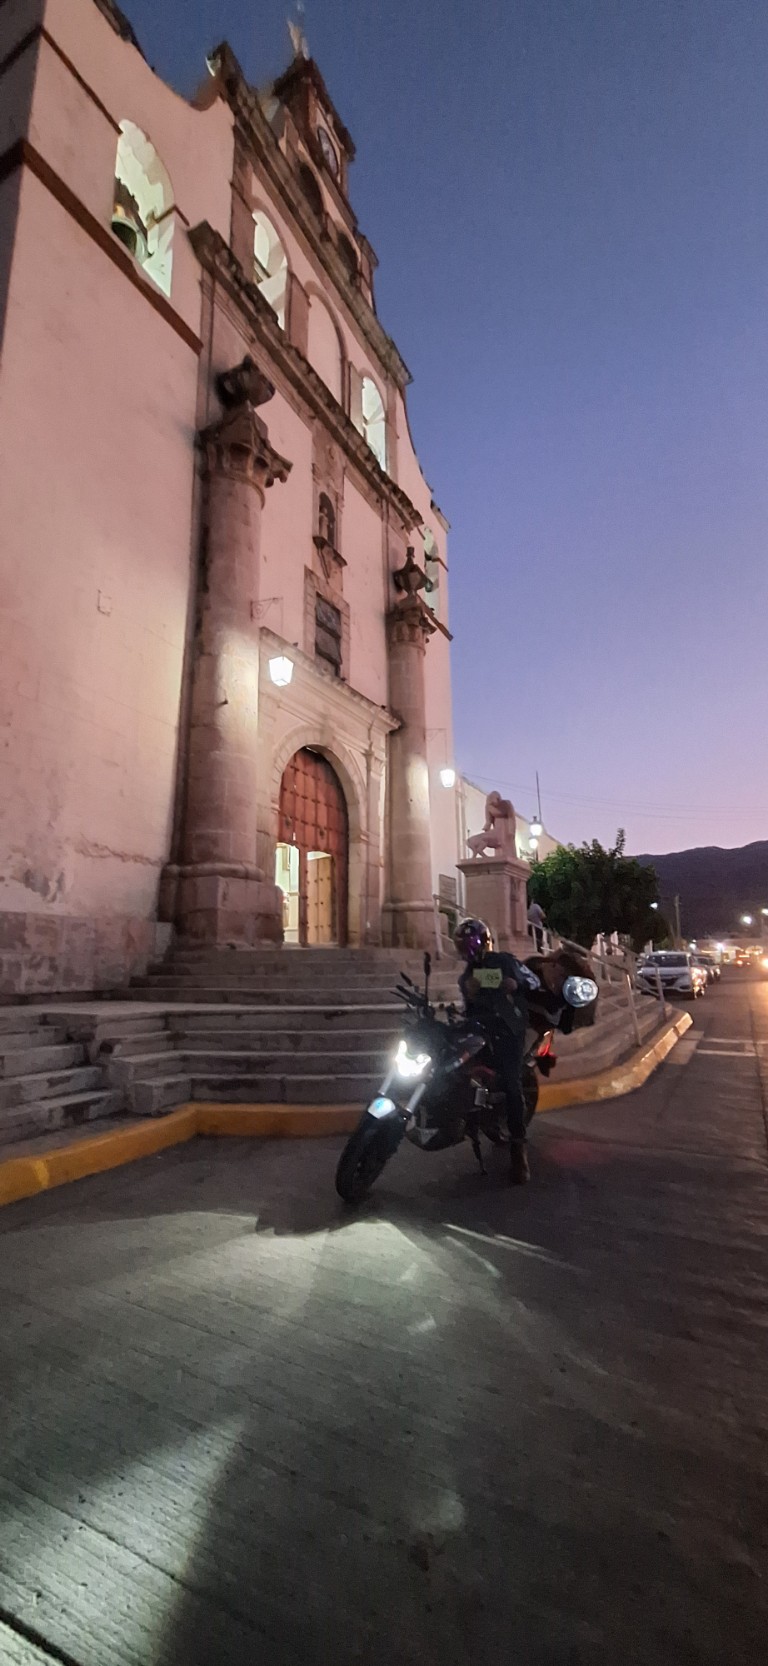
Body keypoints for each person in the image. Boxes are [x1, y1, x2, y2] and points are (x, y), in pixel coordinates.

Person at [454, 917, 540, 1185]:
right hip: (478, 1028)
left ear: (483, 941)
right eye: (463, 944)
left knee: (513, 1085)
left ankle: (519, 1150)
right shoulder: (467, 975)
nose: (467, 948)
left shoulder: (504, 961)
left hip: (507, 1029)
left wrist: (516, 985)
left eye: (471, 942)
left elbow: (533, 981)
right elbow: (469, 1001)